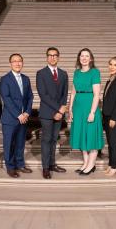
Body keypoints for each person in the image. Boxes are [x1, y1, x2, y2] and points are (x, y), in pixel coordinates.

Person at [68, 48, 104, 175]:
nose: (84, 58)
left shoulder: (95, 72)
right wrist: (70, 109)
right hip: (78, 108)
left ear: (91, 59)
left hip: (89, 106)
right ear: (79, 58)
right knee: (82, 134)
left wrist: (93, 112)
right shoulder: (76, 72)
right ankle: (86, 162)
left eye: (86, 56)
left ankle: (91, 165)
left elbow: (96, 94)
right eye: (81, 56)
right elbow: (73, 92)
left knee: (91, 136)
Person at [36, 47, 69, 179]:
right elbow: (43, 95)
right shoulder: (41, 73)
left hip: (59, 113)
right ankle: (45, 168)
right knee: (46, 140)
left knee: (54, 140)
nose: (52, 57)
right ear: (47, 57)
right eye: (50, 55)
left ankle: (52, 164)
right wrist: (58, 109)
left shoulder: (63, 73)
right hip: (46, 113)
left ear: (58, 57)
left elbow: (64, 93)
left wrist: (61, 110)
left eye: (55, 55)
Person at [0, 53, 34, 178]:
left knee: (20, 143)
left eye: (19, 61)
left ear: (22, 63)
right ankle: (10, 167)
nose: (17, 63)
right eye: (14, 61)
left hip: (23, 118)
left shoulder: (26, 79)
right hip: (10, 118)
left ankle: (20, 164)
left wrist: (27, 112)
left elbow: (30, 97)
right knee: (9, 144)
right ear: (10, 64)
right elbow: (6, 98)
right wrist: (18, 114)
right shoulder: (5, 79)